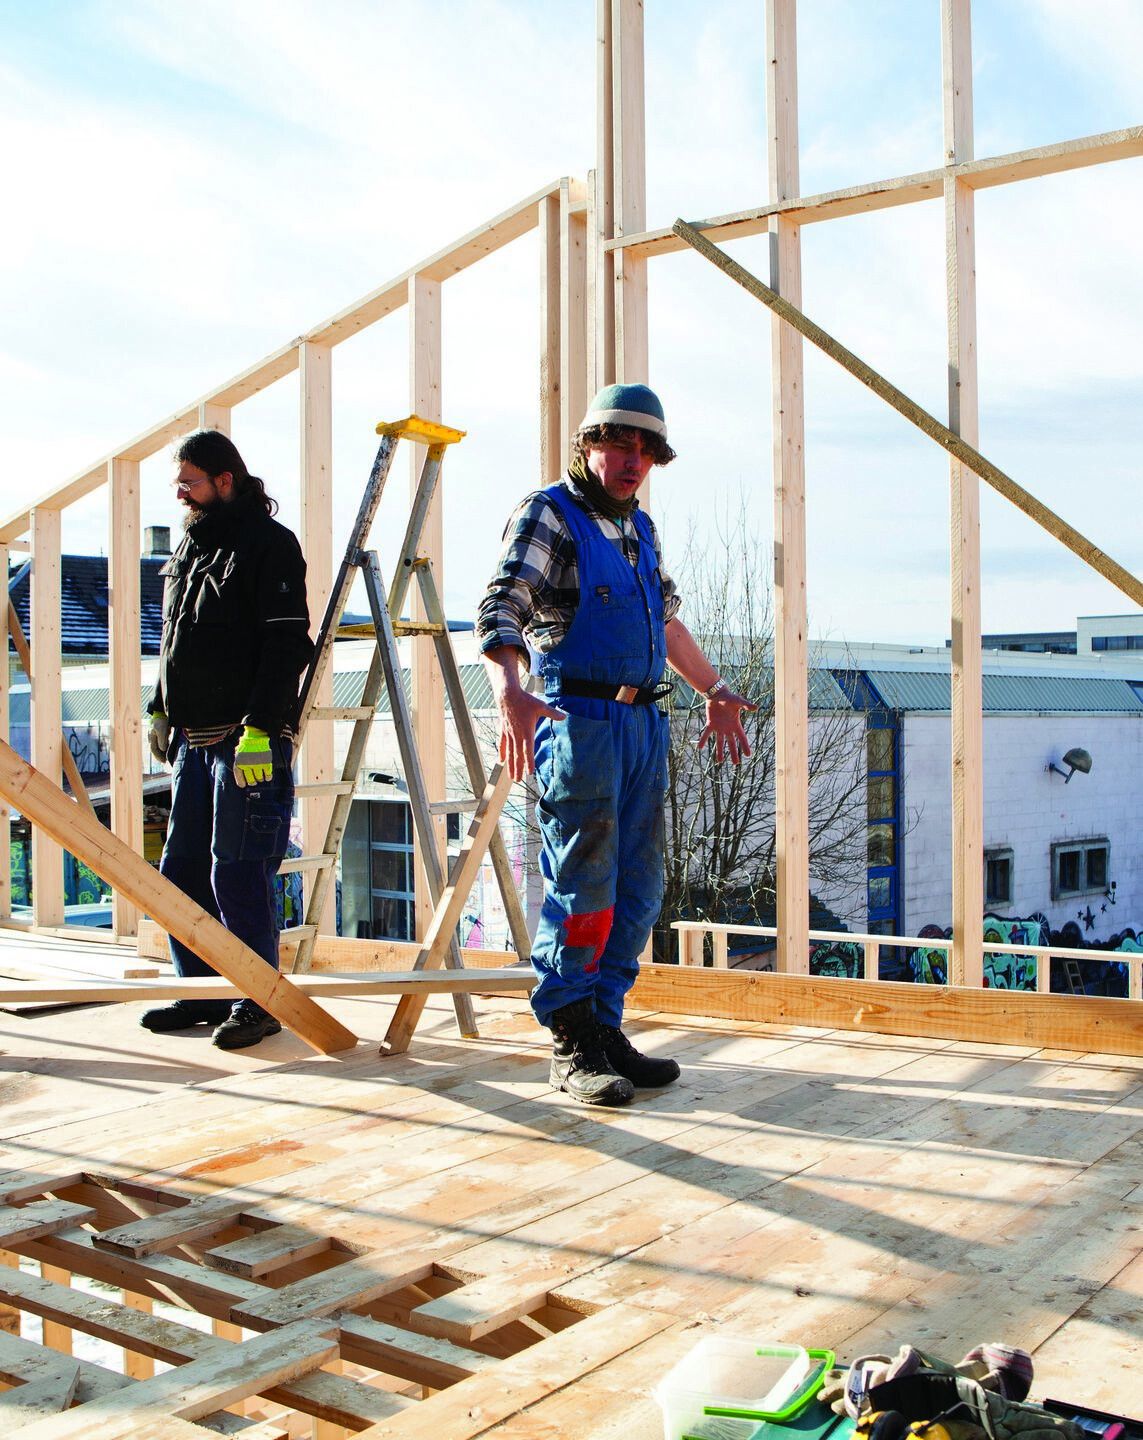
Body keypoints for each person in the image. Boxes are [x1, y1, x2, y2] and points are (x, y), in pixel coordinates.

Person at [478, 383, 754, 1106]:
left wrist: (714, 689)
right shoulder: (551, 515)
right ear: (587, 444)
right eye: (618, 445)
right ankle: (570, 1042)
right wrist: (508, 688)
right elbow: (501, 605)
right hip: (580, 724)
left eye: (645, 451)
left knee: (637, 891)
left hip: (641, 725)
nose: (632, 462)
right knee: (584, 888)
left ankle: (606, 1027)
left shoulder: (639, 531)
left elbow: (664, 625)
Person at [142, 430, 314, 1050]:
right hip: (193, 738)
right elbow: (171, 637)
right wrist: (159, 707)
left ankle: (256, 997)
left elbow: (287, 642)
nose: (181, 492)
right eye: (179, 482)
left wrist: (262, 730)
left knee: (239, 871)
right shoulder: (190, 546)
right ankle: (202, 991)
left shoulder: (268, 546)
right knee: (180, 870)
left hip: (247, 742)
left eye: (190, 481)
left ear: (225, 479)